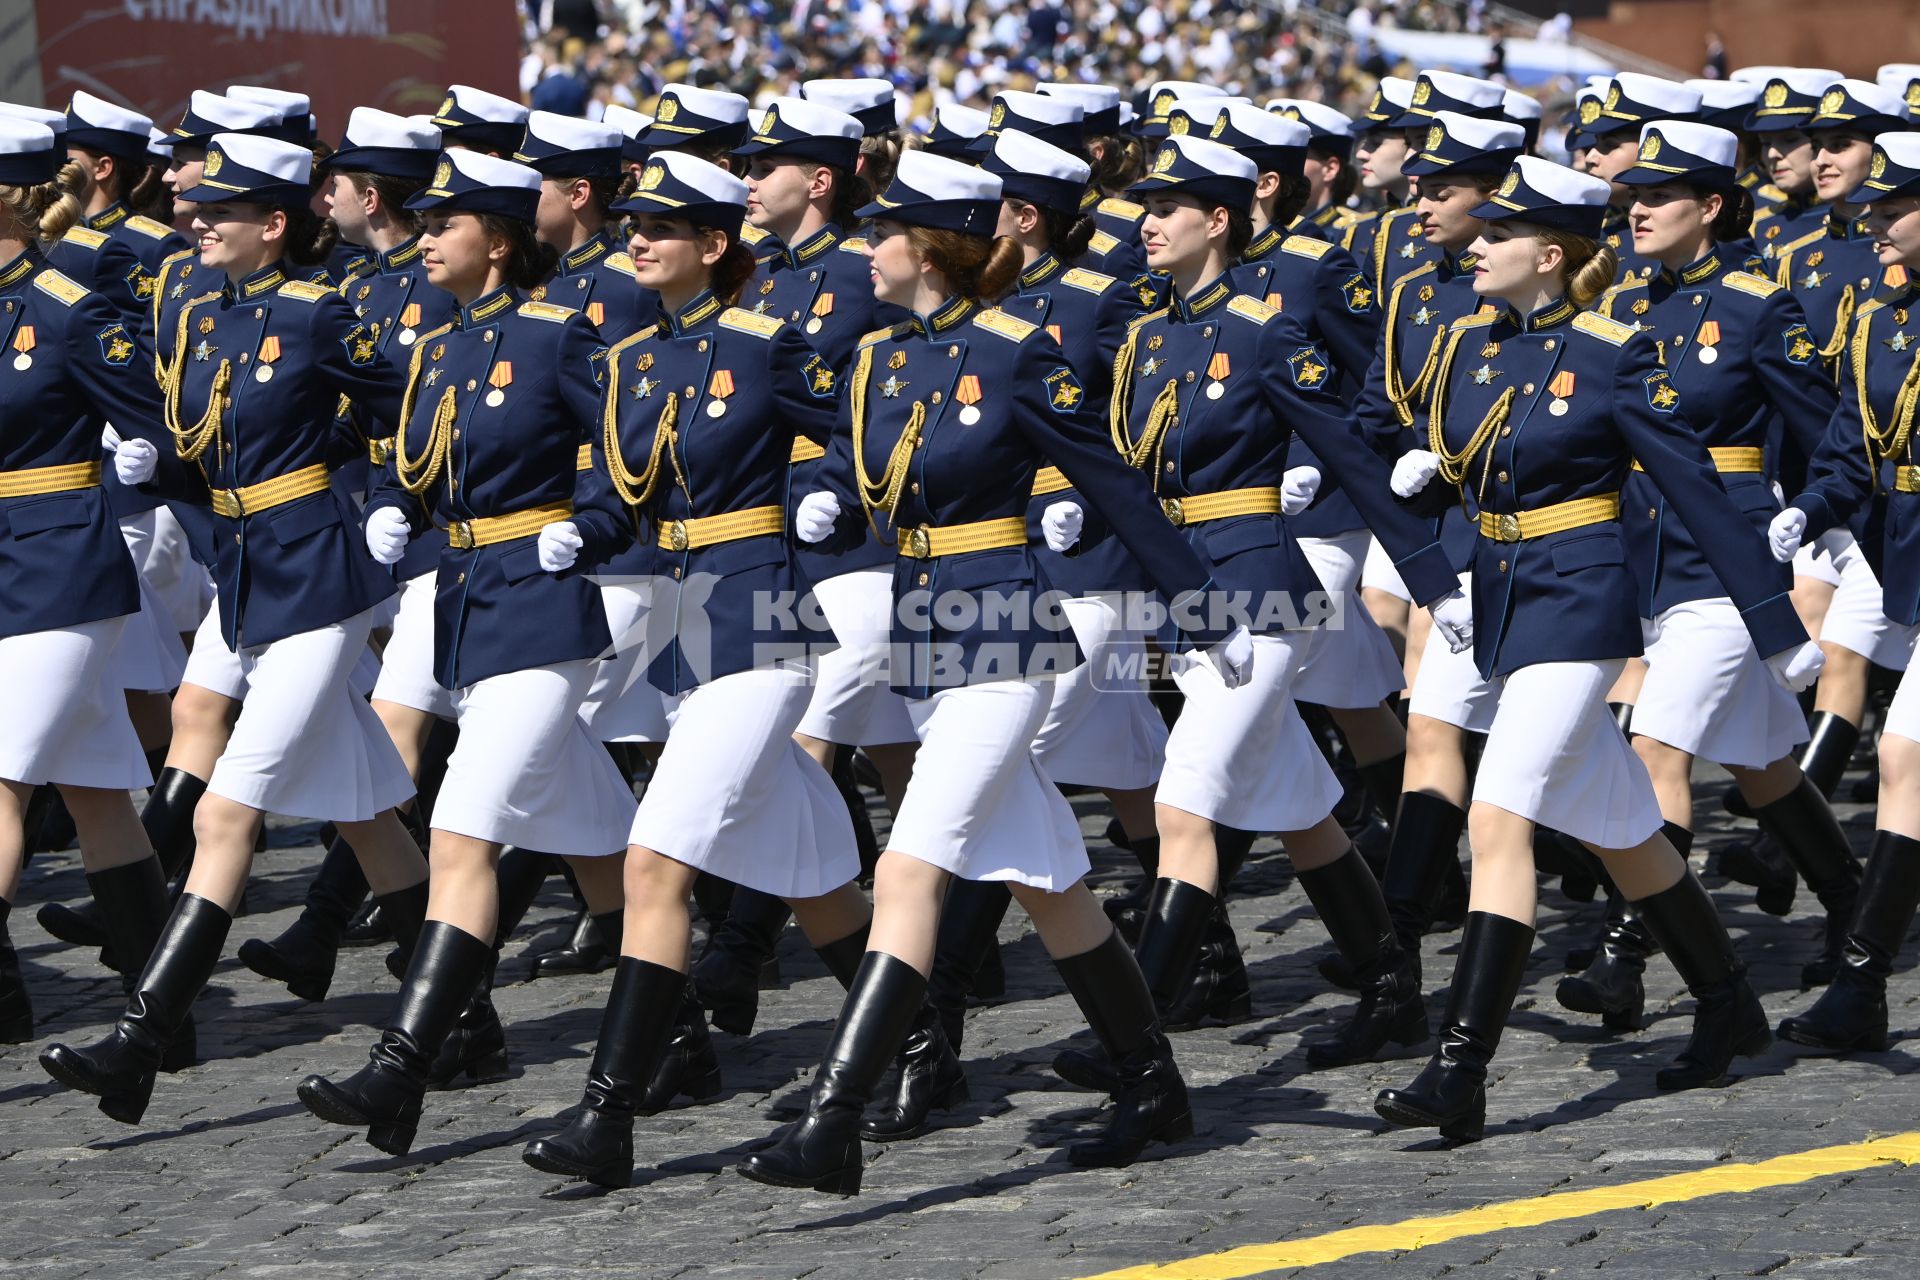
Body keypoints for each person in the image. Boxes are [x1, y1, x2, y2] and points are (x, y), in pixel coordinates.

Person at [740, 148, 1248, 1195]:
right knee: (1051, 881)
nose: (866, 251)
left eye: (883, 234)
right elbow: (860, 449)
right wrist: (832, 489)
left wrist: (1198, 603)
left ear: (928, 249)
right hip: (933, 636)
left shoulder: (1016, 353)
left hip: (1009, 638)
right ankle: (1153, 1082)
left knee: (907, 865)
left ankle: (837, 1115)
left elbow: (1109, 477)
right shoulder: (881, 357)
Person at [1376, 156, 1822, 1143]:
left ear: (1551, 251)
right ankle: (1727, 998)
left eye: (1498, 234)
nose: (1476, 245)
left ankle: (1460, 1064)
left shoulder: (1614, 349)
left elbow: (1697, 487)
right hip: (1499, 601)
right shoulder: (1472, 343)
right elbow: (1479, 459)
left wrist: (1776, 623)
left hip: (1580, 607)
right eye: (1477, 231)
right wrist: (1432, 488)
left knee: (1497, 818)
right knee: (1622, 827)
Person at [1045, 135, 1472, 1100]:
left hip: (1262, 586)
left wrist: (1435, 582)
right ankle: (1391, 985)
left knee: (1185, 800)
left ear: (1221, 219)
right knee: (1304, 808)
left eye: (1172, 207)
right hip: (1185, 592)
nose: (1148, 223)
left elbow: (1353, 458)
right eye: (1144, 206)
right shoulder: (1150, 335)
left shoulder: (1265, 330)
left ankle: (1134, 1034)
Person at [39, 132, 431, 1126]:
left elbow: (414, 405)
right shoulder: (205, 315)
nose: (199, 219)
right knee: (360, 808)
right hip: (247, 572)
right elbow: (198, 443)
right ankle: (462, 1020)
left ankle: (143, 1033)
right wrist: (151, 464)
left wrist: (389, 492)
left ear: (276, 224)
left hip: (319, 579)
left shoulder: (317, 312)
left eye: (223, 210)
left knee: (224, 810)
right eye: (199, 206)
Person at [521, 151, 873, 1188]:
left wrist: (832, 497)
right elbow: (626, 493)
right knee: (815, 877)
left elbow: (868, 430)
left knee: (654, 858)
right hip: (684, 619)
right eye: (631, 223)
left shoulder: (765, 345)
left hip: (760, 611)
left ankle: (608, 1112)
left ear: (714, 246)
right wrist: (577, 532)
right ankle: (914, 1035)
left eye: (661, 227)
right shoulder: (630, 358)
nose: (637, 238)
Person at [295, 147, 639, 1154]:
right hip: (467, 608)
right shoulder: (440, 345)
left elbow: (623, 463)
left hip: (543, 608)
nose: (427, 238)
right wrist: (400, 508)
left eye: (444, 225)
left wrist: (593, 527)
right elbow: (422, 462)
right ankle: (688, 1032)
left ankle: (403, 1066)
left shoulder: (555, 334)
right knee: (606, 846)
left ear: (492, 240)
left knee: (461, 830)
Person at [1567, 121, 1859, 1028]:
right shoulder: (1620, 306)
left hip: (1728, 560)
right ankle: (1858, 912)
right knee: (1765, 761)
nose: (1638, 209)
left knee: (1655, 745)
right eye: (1634, 196)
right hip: (1642, 554)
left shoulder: (1756, 305)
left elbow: (1827, 430)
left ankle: (1627, 950)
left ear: (1713, 206)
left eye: (1659, 196)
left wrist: (1816, 520)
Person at [235, 108, 456, 1005]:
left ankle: (330, 927)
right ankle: (379, 944)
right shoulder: (345, 286)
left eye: (338, 184)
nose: (323, 197)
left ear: (369, 194)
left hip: (433, 531)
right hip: (356, 529)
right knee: (372, 753)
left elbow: (436, 411)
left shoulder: (441, 288)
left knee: (398, 727)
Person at [687, 94, 881, 1037]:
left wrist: (839, 481)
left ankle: (737, 946)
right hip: (760, 541)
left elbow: (888, 399)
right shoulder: (748, 280)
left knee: (802, 737)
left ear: (819, 178)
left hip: (850, 537)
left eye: (765, 169)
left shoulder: (862, 273)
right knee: (858, 754)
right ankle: (928, 967)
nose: (748, 182)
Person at [0, 117, 191, 1047]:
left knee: (0, 782)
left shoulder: (68, 303)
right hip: (9, 566)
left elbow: (161, 424)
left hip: (60, 564)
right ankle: (169, 1013)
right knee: (96, 793)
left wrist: (147, 457)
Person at [1769, 131, 1920, 1055]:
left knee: (1907, 761)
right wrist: (1814, 508)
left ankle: (1860, 982)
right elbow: (1851, 448)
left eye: (1895, 207)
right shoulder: (1883, 320)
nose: (1875, 224)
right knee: (1904, 760)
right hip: (1906, 556)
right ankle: (1861, 986)